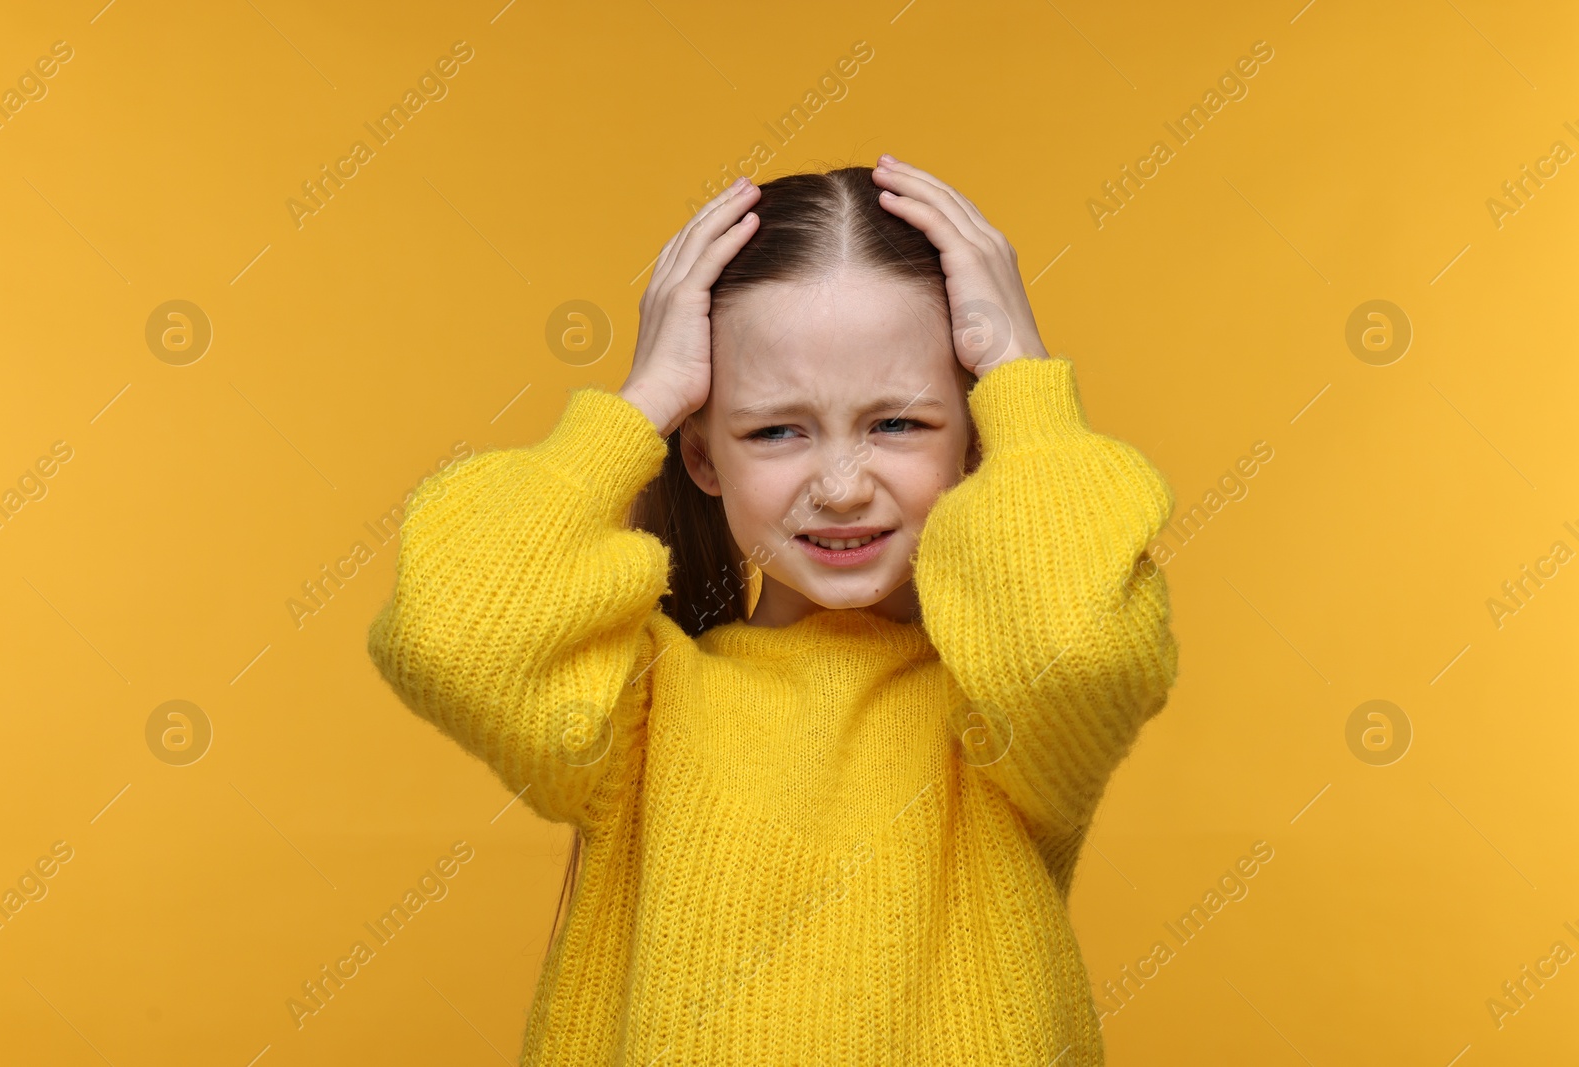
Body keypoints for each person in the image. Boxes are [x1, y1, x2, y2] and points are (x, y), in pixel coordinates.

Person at [367, 154, 1180, 1065]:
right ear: (703, 458)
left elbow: (1077, 644)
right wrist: (636, 408)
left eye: (900, 423)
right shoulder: (637, 703)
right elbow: (451, 630)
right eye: (775, 429)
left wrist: (1024, 385)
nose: (840, 487)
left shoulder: (1007, 717)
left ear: (976, 436)